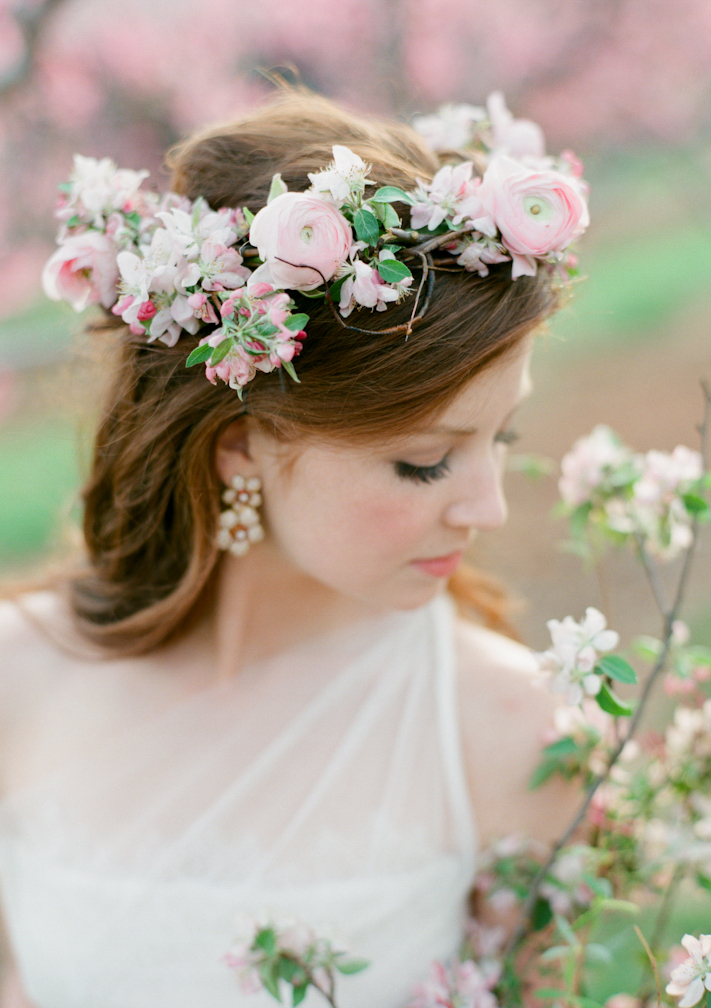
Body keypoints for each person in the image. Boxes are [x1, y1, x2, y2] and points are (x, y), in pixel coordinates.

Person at [0, 89, 588, 1007]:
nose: (490, 510)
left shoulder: (515, 735)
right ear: (238, 446)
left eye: (500, 439)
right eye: (426, 462)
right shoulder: (20, 678)